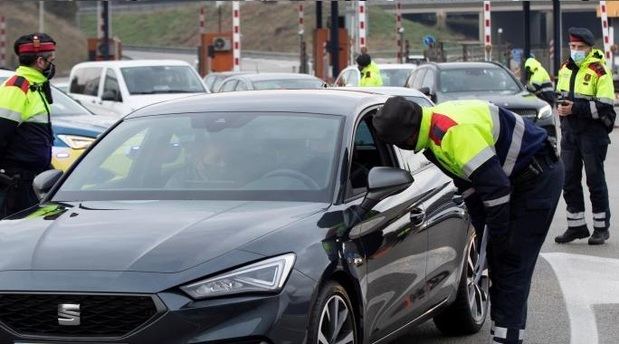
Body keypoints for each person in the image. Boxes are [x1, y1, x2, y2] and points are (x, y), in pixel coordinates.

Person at [372, 97, 564, 344]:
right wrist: (486, 235)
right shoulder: (431, 138)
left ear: (406, 137)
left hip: (537, 177)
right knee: (499, 261)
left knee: (511, 263)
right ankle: (504, 335)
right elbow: (470, 188)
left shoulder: (450, 135)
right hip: (515, 178)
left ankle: (508, 339)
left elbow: (496, 191)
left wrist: (499, 238)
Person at [554, 27, 616, 245]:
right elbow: (561, 96)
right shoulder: (565, 68)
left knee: (594, 180)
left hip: (593, 134)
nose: (576, 50)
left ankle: (601, 228)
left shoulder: (599, 71)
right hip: (570, 133)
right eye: (573, 47)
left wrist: (574, 109)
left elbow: (606, 106)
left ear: (590, 48)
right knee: (568, 180)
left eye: (580, 47)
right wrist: (561, 108)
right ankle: (576, 226)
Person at [0, 33, 56, 218]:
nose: (53, 65)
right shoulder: (17, 87)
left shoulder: (36, 85)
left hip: (35, 177)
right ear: (40, 61)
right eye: (51, 60)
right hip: (17, 182)